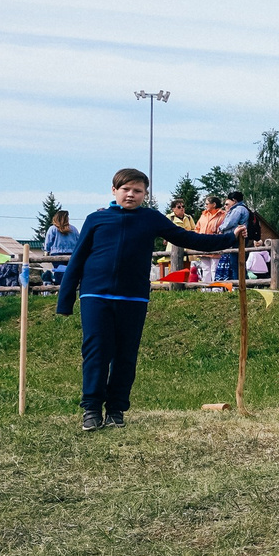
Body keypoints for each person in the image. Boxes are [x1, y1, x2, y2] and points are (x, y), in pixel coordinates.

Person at [55, 169, 239, 431]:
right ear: (114, 190)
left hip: (133, 297)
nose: (131, 194)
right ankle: (92, 409)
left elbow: (189, 238)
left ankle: (116, 409)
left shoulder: (151, 219)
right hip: (96, 295)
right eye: (125, 189)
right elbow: (78, 258)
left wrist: (230, 237)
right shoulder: (96, 219)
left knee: (125, 354)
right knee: (96, 352)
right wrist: (65, 301)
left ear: (145, 194)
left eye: (137, 191)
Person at [41, 211, 79, 287]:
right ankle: (70, 287)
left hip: (56, 254)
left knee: (59, 272)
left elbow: (48, 241)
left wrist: (46, 252)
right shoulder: (73, 229)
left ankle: (60, 288)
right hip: (71, 254)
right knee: (70, 272)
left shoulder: (52, 229)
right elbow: (78, 241)